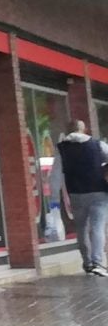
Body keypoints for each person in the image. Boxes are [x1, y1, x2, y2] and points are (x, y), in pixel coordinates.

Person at [60, 117, 108, 277]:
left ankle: (87, 262)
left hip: (75, 193)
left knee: (81, 229)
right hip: (98, 191)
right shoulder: (97, 144)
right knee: (97, 227)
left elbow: (55, 175)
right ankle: (97, 262)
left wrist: (53, 200)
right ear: (84, 129)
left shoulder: (62, 148)